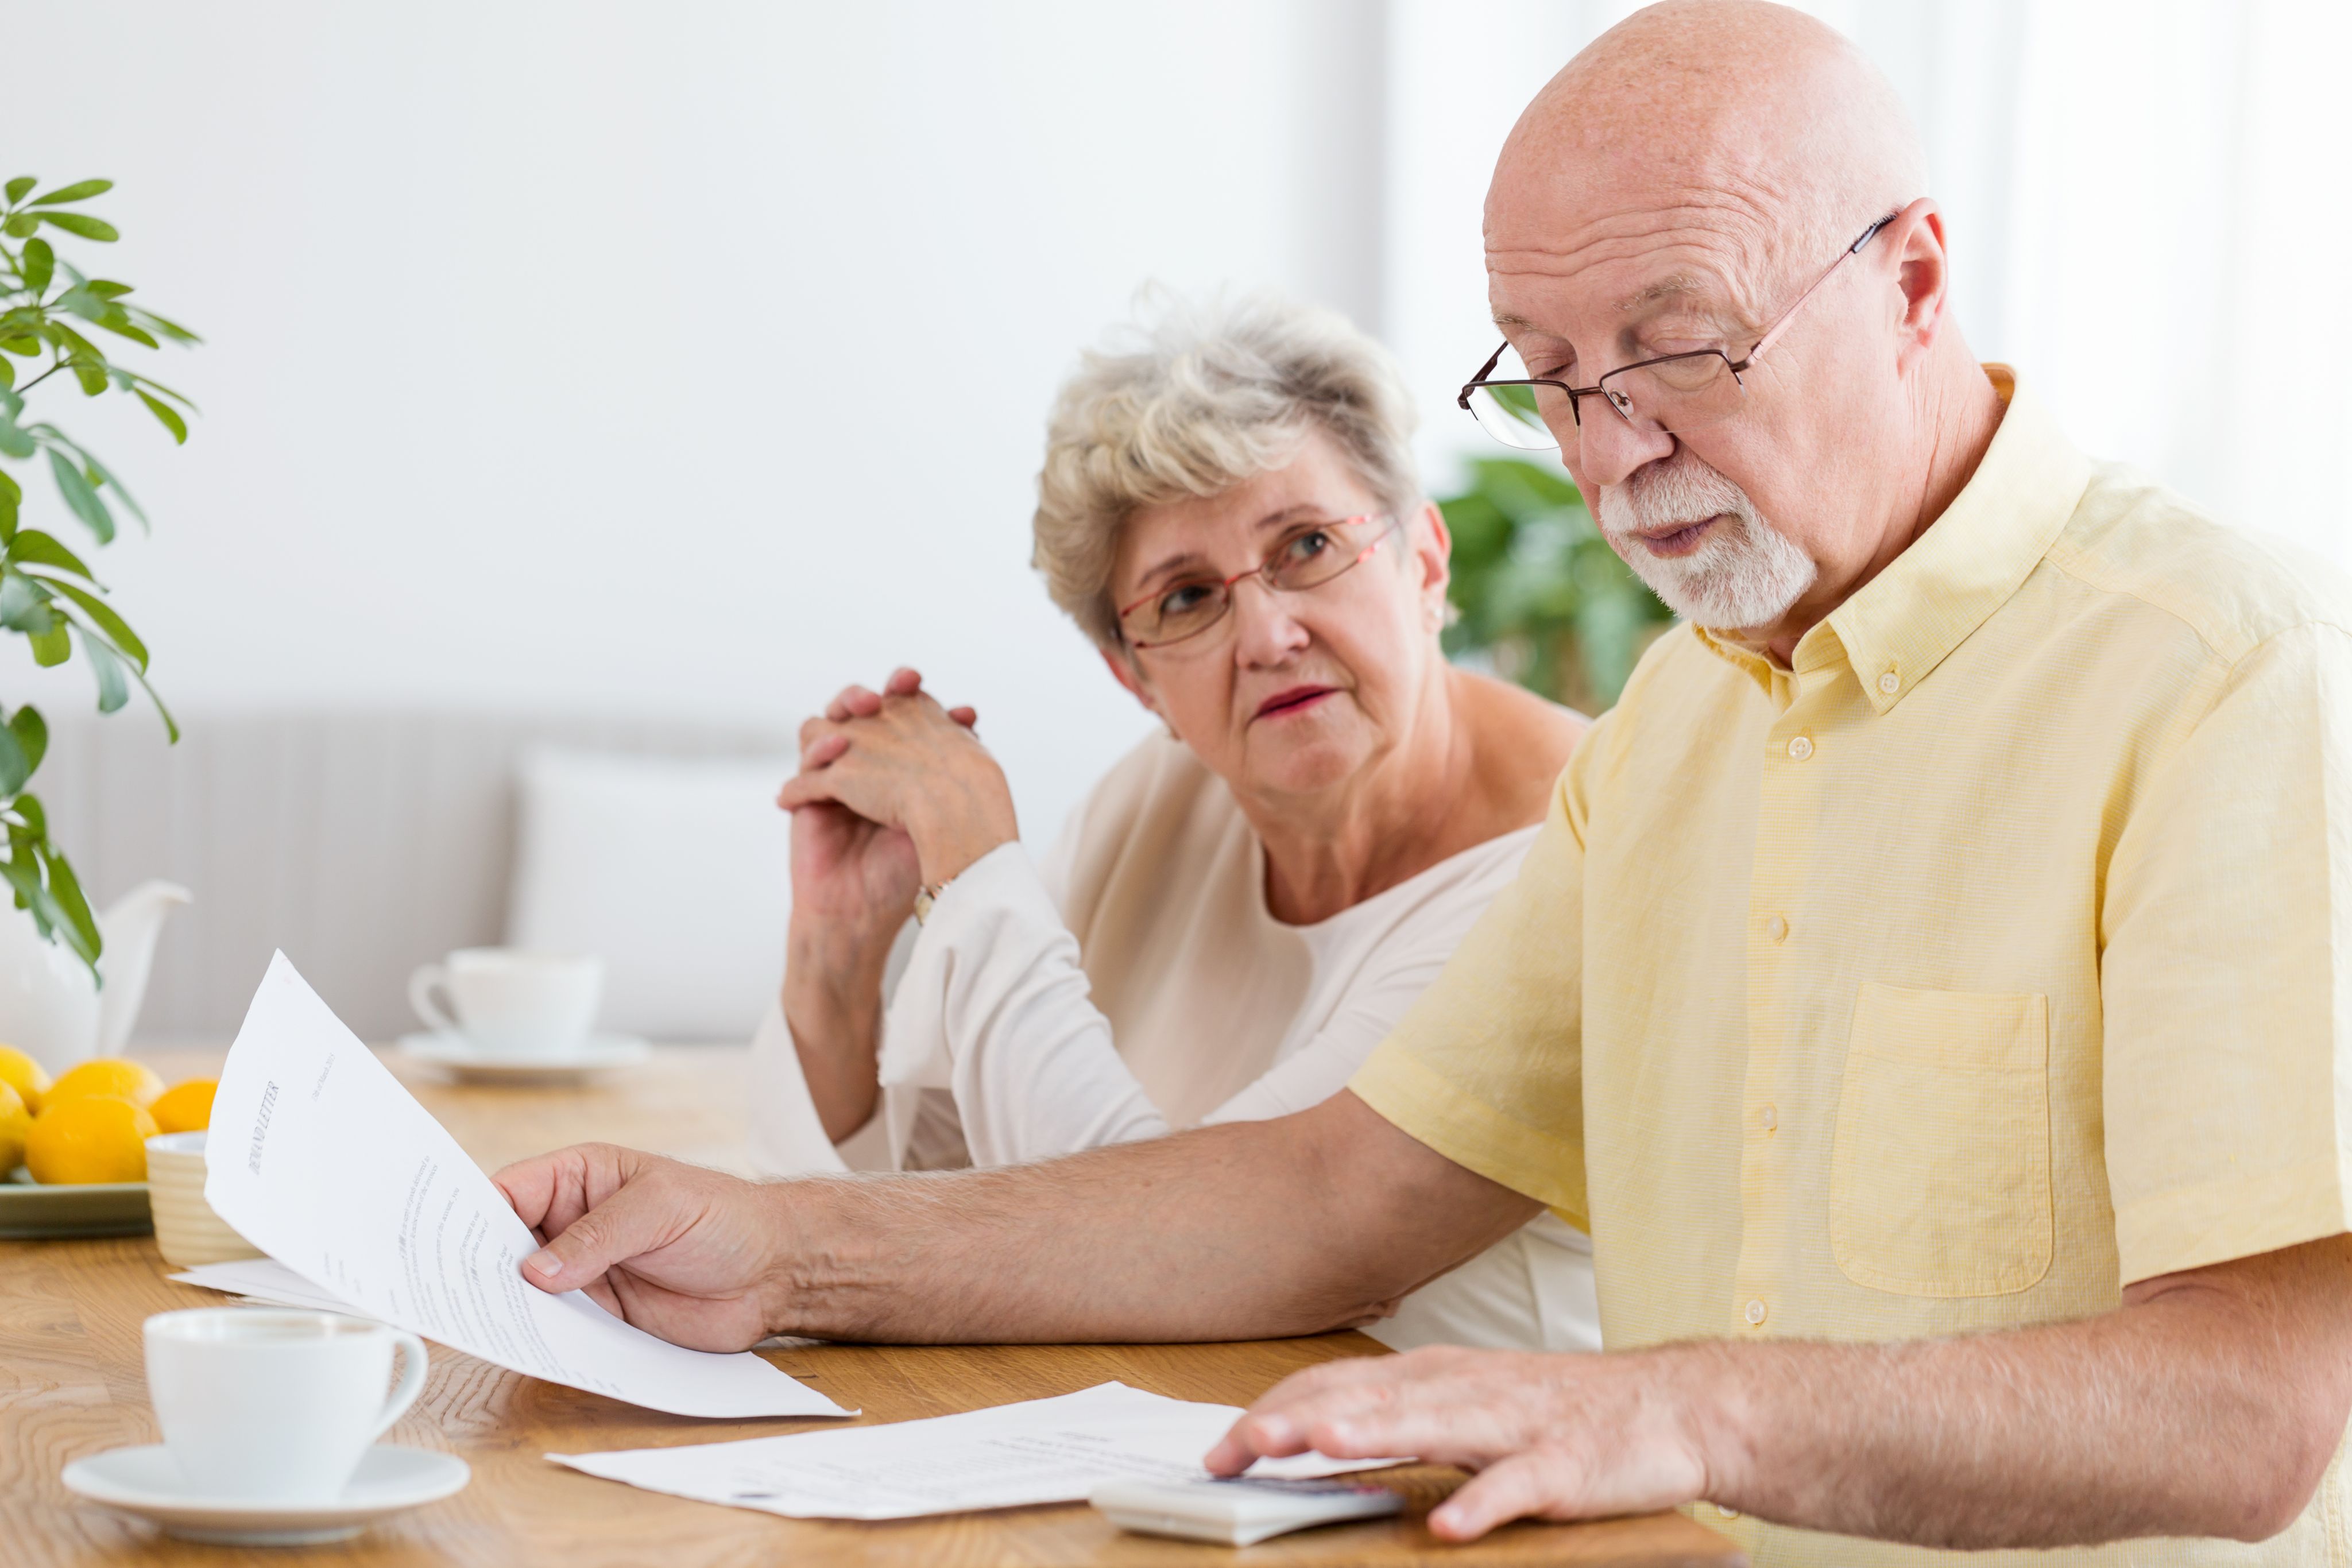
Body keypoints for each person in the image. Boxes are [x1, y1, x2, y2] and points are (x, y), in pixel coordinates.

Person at [494, 3, 2352, 1559]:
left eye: (1675, 343)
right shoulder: (1674, 737)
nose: (1613, 452)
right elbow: (1327, 1200)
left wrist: (1676, 1411)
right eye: (1548, 377)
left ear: (1913, 281)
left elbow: (2255, 1406)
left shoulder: (2222, 674)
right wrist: (781, 1248)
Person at [747, 295, 1598, 1352]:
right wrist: (837, 954)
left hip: (1458, 1492)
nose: (1270, 634)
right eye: (1187, 599)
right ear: (1134, 676)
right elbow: (948, 1183)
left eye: (1308, 545)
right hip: (1171, 1454)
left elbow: (1167, 1263)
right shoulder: (1160, 800)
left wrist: (975, 867)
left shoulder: (1575, 855)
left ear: (1423, 561)